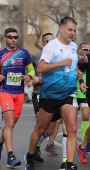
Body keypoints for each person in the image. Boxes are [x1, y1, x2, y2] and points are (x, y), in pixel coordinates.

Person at [24, 16, 78, 170]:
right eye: (69, 29)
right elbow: (40, 68)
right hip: (50, 94)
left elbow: (72, 65)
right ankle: (30, 155)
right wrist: (61, 63)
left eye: (74, 30)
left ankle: (69, 164)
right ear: (61, 29)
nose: (72, 33)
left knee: (72, 128)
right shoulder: (51, 46)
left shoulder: (74, 46)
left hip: (69, 93)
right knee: (43, 129)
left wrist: (78, 72)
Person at [0, 28, 35, 168]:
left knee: (12, 124)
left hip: (19, 93)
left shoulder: (24, 53)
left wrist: (29, 76)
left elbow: (31, 70)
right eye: (10, 37)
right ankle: (10, 156)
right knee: (9, 123)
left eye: (15, 37)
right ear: (5, 38)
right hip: (5, 91)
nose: (13, 39)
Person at [31, 33, 60, 163]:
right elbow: (29, 71)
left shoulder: (59, 56)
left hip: (53, 94)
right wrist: (33, 77)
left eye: (53, 40)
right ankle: (31, 153)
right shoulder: (36, 56)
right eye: (48, 40)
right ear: (43, 42)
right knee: (40, 123)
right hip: (39, 92)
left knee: (49, 129)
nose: (51, 42)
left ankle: (37, 146)